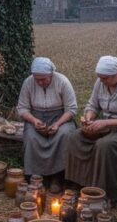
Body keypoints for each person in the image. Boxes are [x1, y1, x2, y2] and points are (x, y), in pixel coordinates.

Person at [63, 56, 117, 204]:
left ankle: (105, 194)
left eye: (105, 78)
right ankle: (79, 185)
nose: (102, 81)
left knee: (104, 146)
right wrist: (89, 117)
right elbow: (93, 105)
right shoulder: (101, 82)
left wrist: (105, 123)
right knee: (74, 138)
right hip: (107, 126)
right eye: (100, 77)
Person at [16, 57, 77, 191]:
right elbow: (22, 108)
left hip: (61, 118)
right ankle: (36, 178)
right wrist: (34, 121)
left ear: (51, 74)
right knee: (32, 137)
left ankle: (58, 177)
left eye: (43, 79)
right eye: (37, 79)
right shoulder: (28, 83)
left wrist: (57, 124)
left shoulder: (62, 82)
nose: (40, 82)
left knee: (64, 135)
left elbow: (71, 109)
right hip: (36, 118)